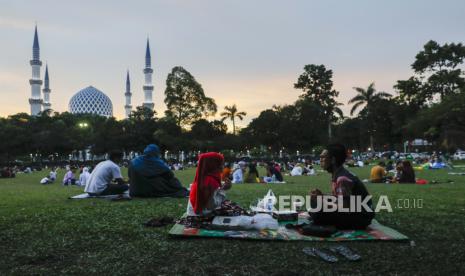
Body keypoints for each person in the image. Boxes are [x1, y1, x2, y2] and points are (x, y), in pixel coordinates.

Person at [309, 144, 374, 229]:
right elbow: (339, 199)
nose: (320, 160)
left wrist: (321, 200)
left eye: (323, 157)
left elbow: (344, 207)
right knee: (315, 202)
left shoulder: (342, 178)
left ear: (332, 160)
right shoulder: (338, 174)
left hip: (361, 217)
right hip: (356, 211)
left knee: (317, 212)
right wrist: (322, 196)